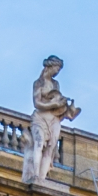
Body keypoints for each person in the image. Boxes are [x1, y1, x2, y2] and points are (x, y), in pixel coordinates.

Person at [23, 56, 77, 185]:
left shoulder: (55, 84)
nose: (57, 72)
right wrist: (54, 105)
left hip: (54, 119)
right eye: (56, 69)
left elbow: (56, 100)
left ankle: (42, 178)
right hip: (40, 118)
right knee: (39, 143)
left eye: (59, 70)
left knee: (50, 148)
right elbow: (37, 103)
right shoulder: (38, 83)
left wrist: (65, 107)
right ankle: (35, 175)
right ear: (50, 67)